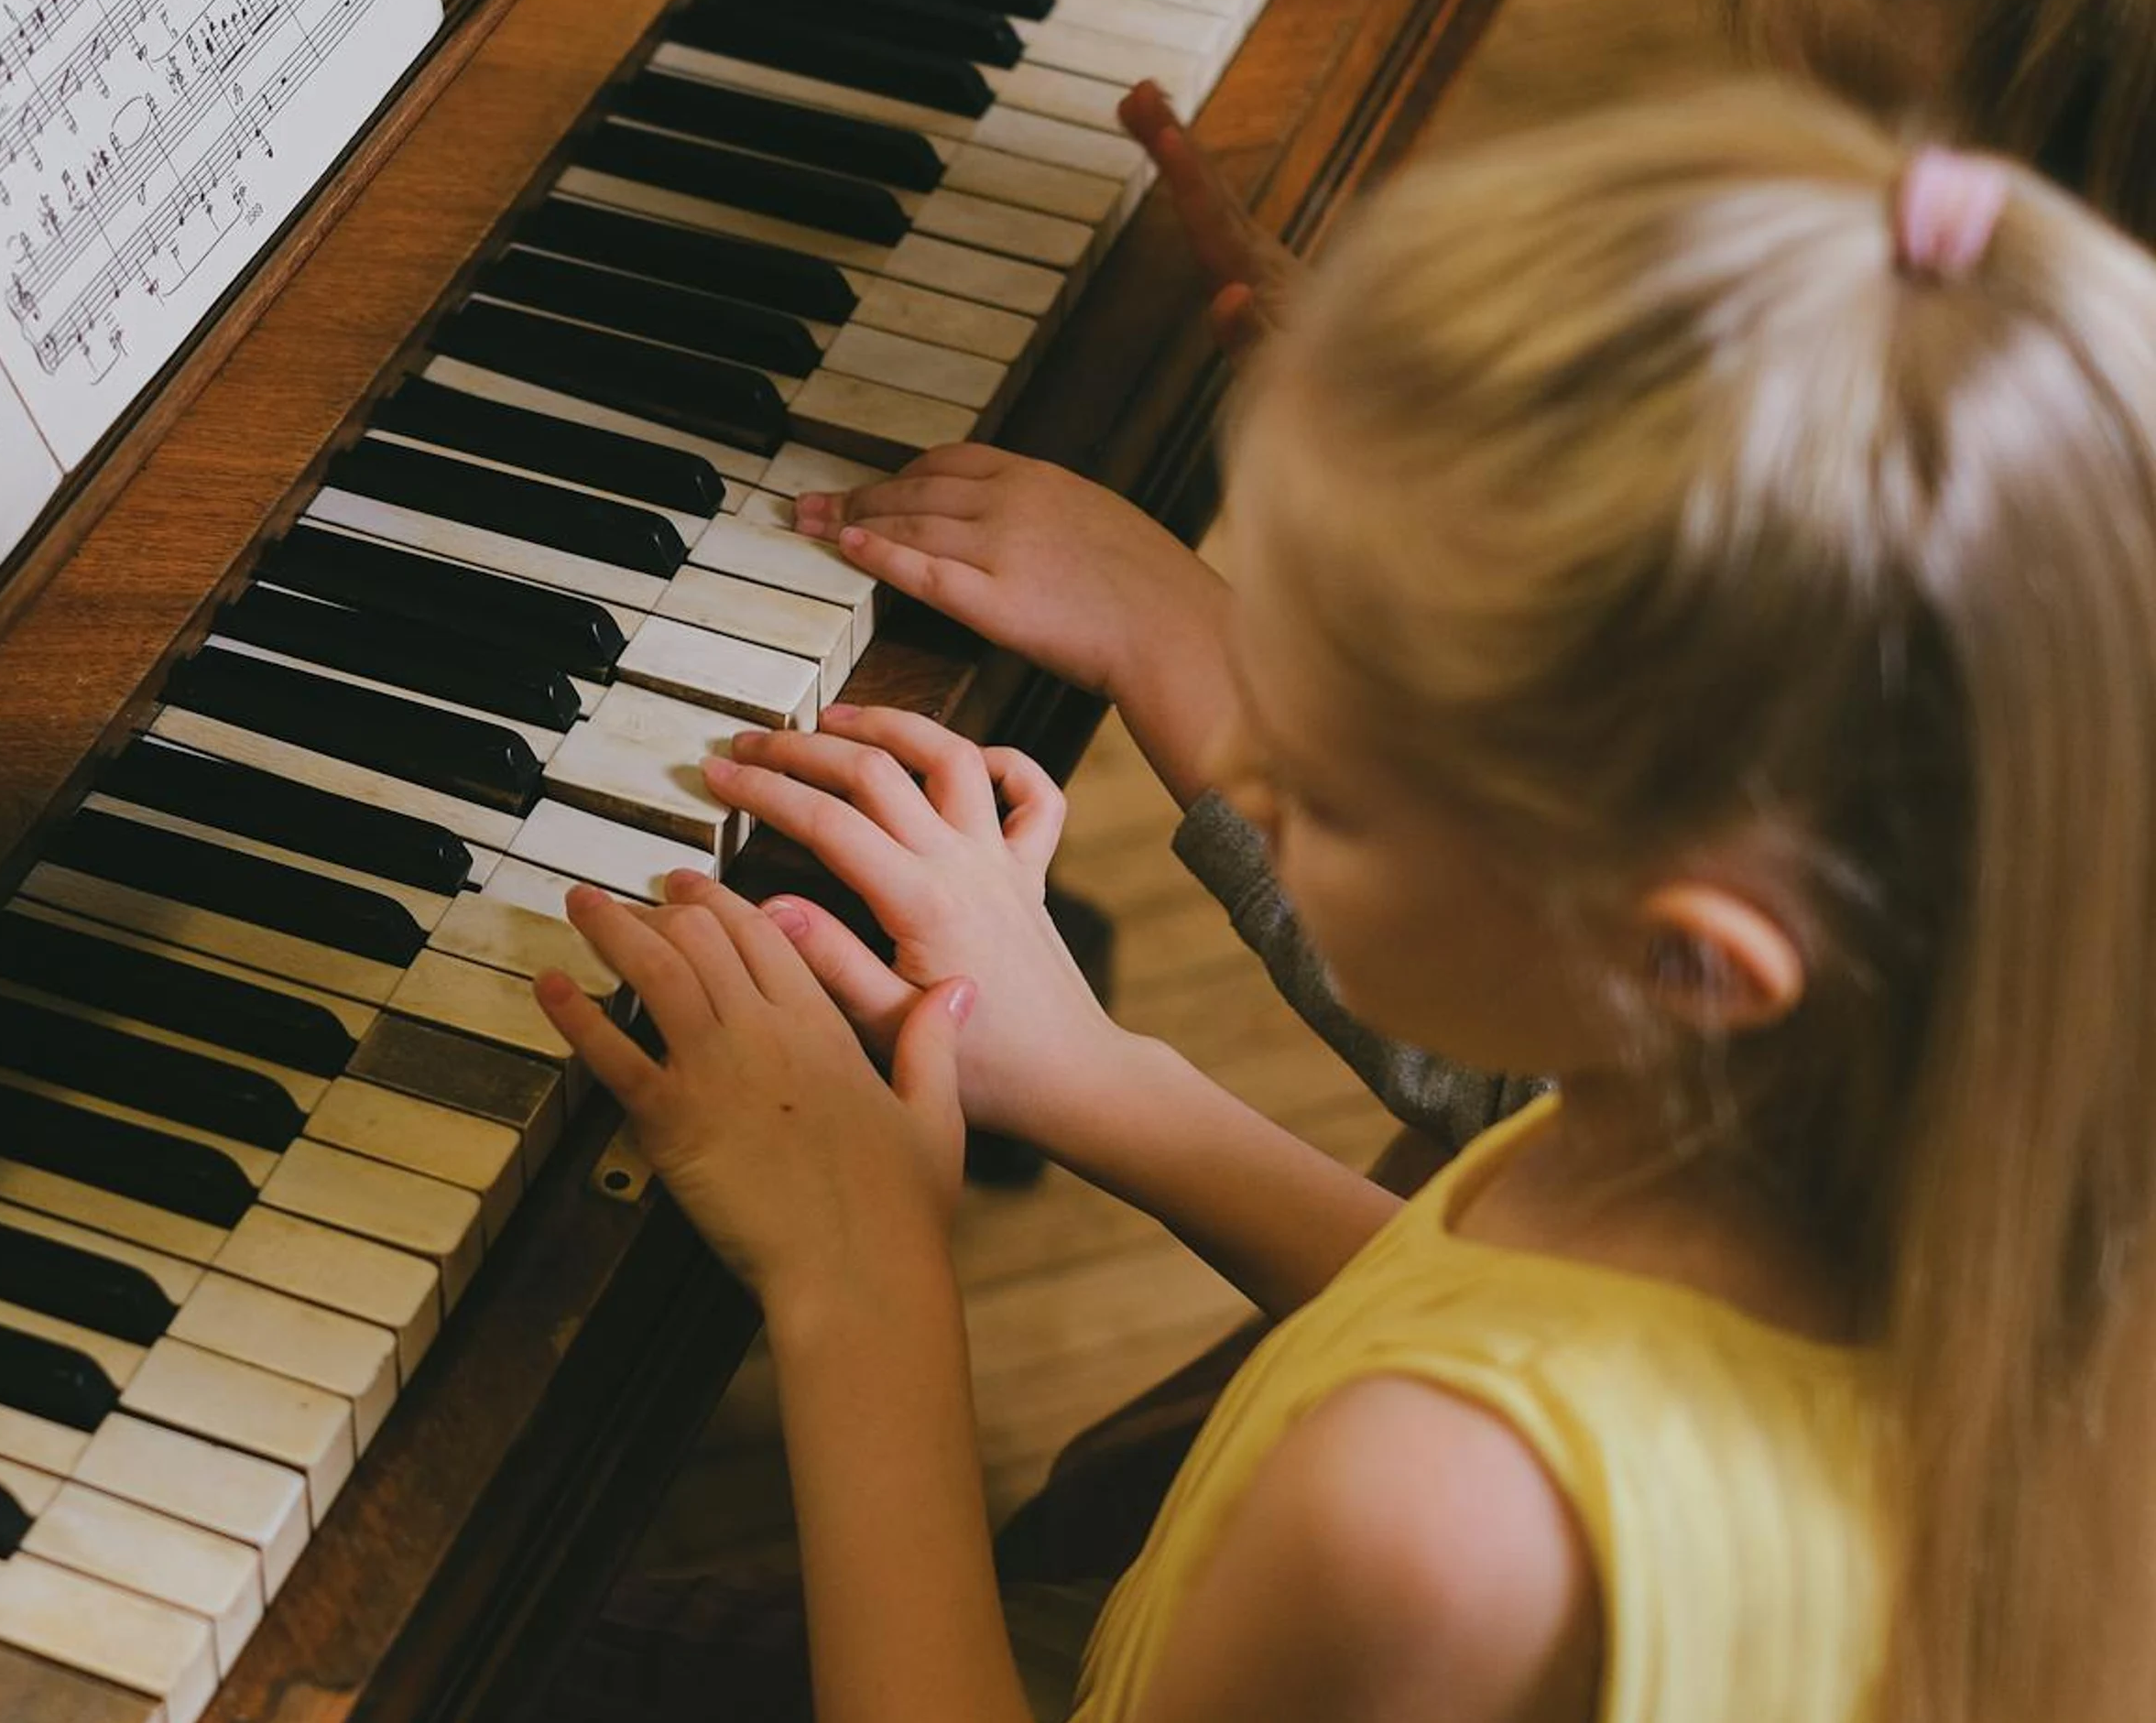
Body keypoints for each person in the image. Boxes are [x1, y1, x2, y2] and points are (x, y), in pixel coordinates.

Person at [537, 87, 2156, 1719]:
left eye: (1330, 782)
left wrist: (858, 1281)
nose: (1230, 747)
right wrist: (1105, 1082)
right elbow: (1500, 1305)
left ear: (1688, 958)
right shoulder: (1811, 1131)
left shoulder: (1420, 1529)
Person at [786, 0, 2156, 1147]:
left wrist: (1173, 643)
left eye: (1833, 175)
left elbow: (1550, 1113)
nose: (1732, 223)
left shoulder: (1982, 771)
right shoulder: (2021, 505)